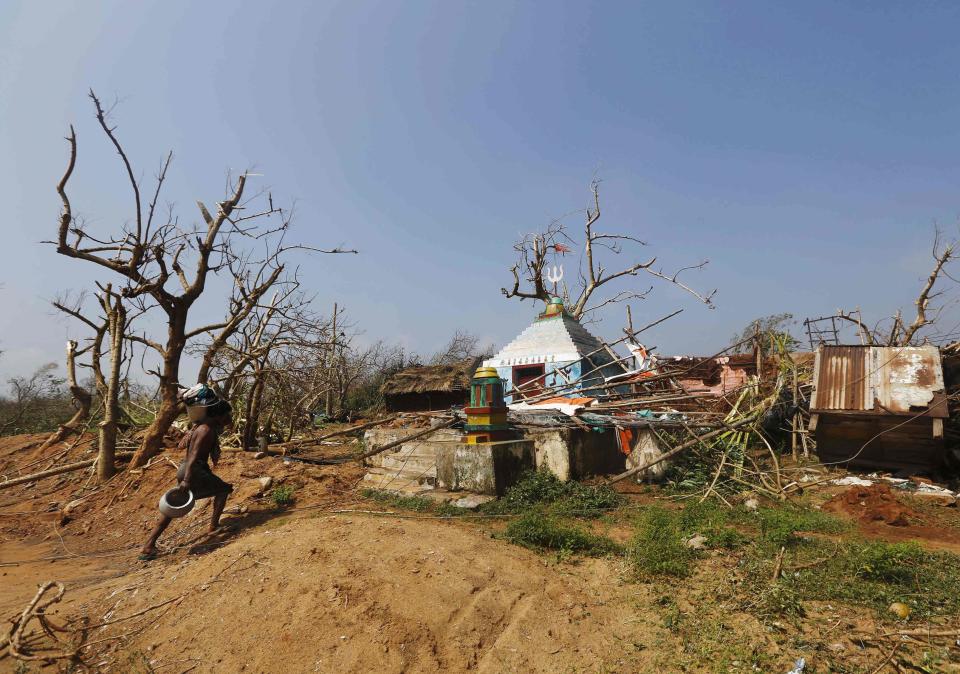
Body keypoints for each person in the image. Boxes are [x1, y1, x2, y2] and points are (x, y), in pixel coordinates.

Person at [139, 399, 234, 560]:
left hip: (187, 470)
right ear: (218, 415)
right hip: (194, 470)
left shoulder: (200, 427)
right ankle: (213, 526)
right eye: (226, 415)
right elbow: (194, 456)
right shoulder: (206, 430)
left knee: (172, 508)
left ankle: (148, 545)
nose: (228, 418)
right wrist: (188, 480)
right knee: (224, 489)